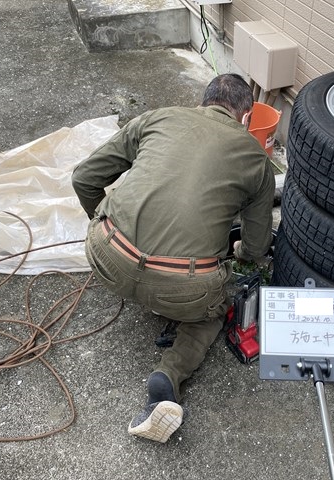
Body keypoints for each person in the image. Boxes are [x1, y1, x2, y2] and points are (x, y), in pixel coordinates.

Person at [71, 73, 275, 443]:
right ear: (246, 117)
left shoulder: (157, 117)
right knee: (213, 311)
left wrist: (105, 225)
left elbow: (84, 178)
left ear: (203, 102)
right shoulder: (257, 161)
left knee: (131, 254)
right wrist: (238, 258)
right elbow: (256, 247)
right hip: (183, 288)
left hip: (105, 257)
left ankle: (130, 267)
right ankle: (167, 378)